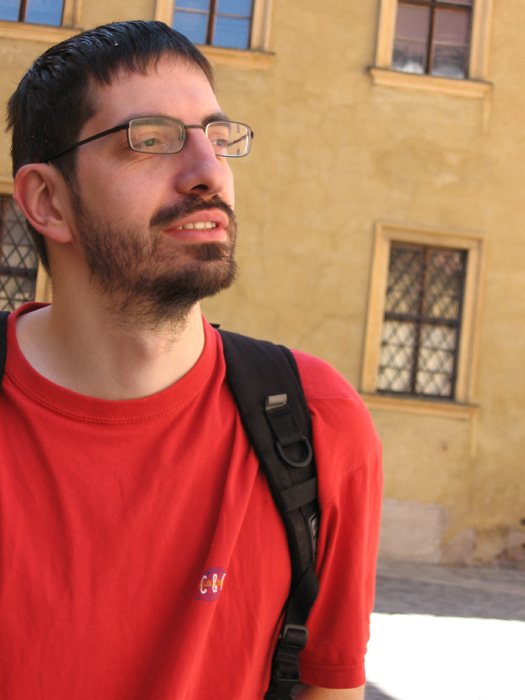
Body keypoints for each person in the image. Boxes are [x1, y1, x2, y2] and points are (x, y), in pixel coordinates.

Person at [0, 20, 382, 700]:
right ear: (48, 201)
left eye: (217, 138)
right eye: (150, 141)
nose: (209, 173)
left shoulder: (317, 424)